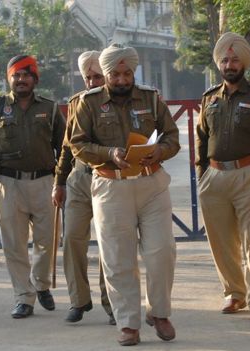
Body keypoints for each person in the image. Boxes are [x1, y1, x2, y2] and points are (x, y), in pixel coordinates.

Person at [69, 43, 180, 346]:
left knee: (162, 252)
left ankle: (158, 312)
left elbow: (172, 137)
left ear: (134, 71)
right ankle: (128, 323)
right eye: (115, 74)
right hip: (110, 185)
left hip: (151, 184)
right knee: (118, 258)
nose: (121, 79)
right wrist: (108, 153)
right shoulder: (88, 103)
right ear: (105, 74)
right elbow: (77, 144)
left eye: (127, 73)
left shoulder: (151, 99)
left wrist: (159, 150)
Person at [195, 32, 250, 322]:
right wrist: (202, 174)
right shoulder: (209, 98)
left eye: (234, 59)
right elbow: (201, 138)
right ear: (218, 64)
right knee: (222, 242)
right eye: (224, 59)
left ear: (244, 63)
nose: (229, 64)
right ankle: (234, 294)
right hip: (215, 177)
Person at [0, 55, 65, 319]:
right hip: (8, 184)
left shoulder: (49, 109)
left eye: (26, 75)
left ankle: (40, 284)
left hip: (44, 182)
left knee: (47, 240)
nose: (21, 80)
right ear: (9, 78)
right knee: (14, 244)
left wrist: (62, 181)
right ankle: (23, 297)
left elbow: (64, 148)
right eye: (16, 75)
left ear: (35, 78)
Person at [52, 50, 115, 325]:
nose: (92, 81)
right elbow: (67, 147)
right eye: (88, 77)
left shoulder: (117, 102)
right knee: (72, 240)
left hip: (109, 178)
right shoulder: (76, 102)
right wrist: (59, 182)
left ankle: (112, 303)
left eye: (97, 76)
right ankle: (79, 300)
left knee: (109, 244)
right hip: (78, 179)